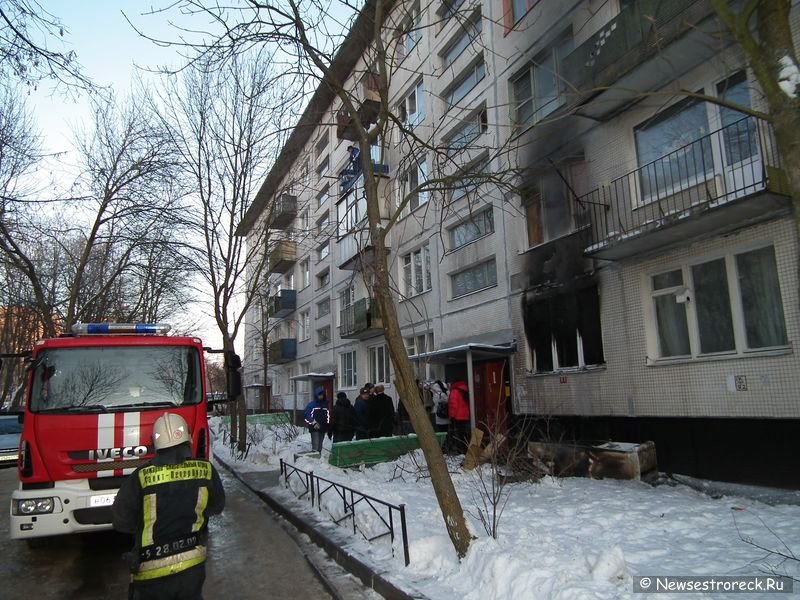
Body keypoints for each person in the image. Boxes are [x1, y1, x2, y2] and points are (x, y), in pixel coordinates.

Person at [112, 413, 225, 600]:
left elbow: (121, 521)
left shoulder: (141, 477)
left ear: (155, 444)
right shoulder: (205, 470)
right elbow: (217, 506)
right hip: (192, 567)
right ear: (188, 439)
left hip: (150, 573)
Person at [303, 387, 330, 452]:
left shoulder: (325, 405)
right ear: (316, 395)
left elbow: (327, 416)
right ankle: (314, 459)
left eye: (322, 395)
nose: (321, 397)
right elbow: (307, 415)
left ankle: (318, 458)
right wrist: (314, 422)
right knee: (315, 446)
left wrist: (328, 425)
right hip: (314, 427)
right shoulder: (312, 404)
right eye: (319, 395)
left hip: (323, 427)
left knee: (320, 445)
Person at [448, 380, 471, 454]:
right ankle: (466, 448)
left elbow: (453, 405)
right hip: (464, 416)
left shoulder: (454, 391)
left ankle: (461, 450)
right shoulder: (465, 390)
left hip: (457, 416)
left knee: (458, 434)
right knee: (463, 433)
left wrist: (452, 416)